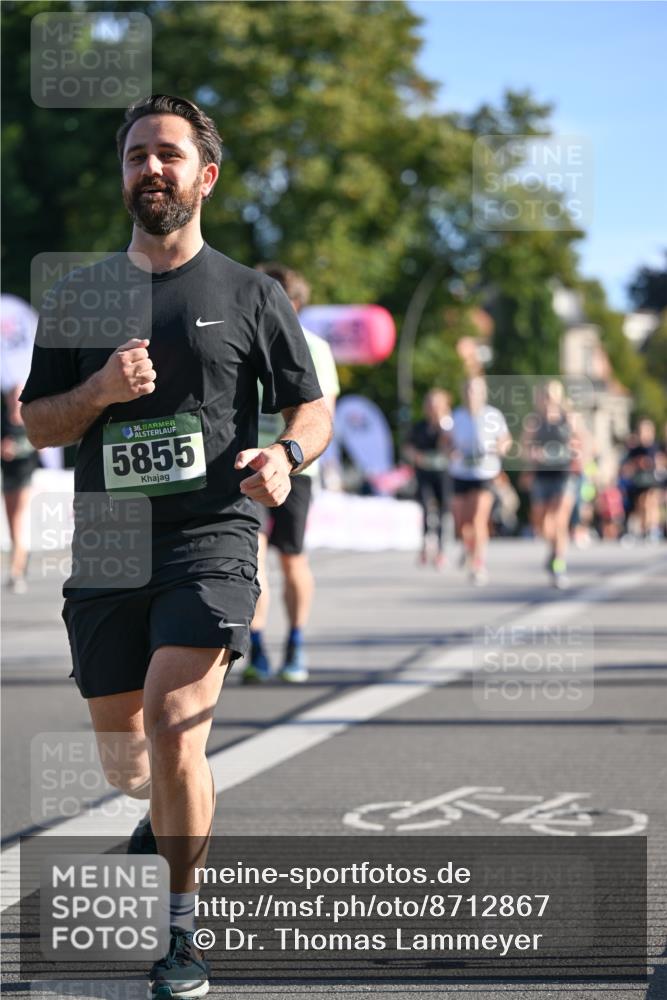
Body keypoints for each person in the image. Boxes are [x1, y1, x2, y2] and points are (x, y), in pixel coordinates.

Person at [20, 94, 331, 999]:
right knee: (129, 769)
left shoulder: (250, 293)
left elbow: (311, 404)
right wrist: (101, 392)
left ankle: (182, 934)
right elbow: (38, 423)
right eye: (134, 157)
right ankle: (160, 818)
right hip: (110, 543)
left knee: (173, 723)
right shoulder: (79, 296)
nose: (149, 169)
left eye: (166, 154)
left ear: (206, 175)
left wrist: (286, 455)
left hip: (212, 533)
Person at [244, 263, 340, 684]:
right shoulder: (246, 338)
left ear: (295, 305)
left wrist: (290, 453)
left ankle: (297, 642)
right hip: (248, 460)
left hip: (296, 468)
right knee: (254, 557)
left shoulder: (316, 348)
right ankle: (258, 647)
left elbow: (324, 417)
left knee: (292, 558)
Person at [445, 376, 512, 585]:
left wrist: (500, 448)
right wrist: (451, 452)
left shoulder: (493, 415)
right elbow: (445, 443)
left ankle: (478, 563)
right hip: (461, 473)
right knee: (463, 523)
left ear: (482, 393)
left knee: (478, 519)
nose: (471, 395)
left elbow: (506, 439)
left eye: (475, 391)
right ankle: (468, 548)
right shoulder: (455, 416)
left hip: (485, 473)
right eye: (467, 390)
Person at [522, 380, 581, 588]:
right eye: (545, 395)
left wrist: (575, 450)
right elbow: (525, 447)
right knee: (543, 524)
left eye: (552, 395)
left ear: (559, 397)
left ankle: (559, 563)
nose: (548, 400)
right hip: (541, 475)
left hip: (564, 474)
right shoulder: (534, 421)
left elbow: (582, 442)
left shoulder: (569, 419)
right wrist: (532, 456)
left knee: (559, 519)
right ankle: (553, 551)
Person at [404, 388, 452, 569]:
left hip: (443, 474)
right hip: (424, 473)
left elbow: (453, 446)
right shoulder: (419, 427)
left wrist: (443, 425)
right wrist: (416, 456)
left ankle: (440, 550)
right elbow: (408, 447)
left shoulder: (448, 426)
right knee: (425, 507)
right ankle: (425, 544)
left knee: (442, 510)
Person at [1, 384, 40, 593]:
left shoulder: (28, 419)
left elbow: (38, 444)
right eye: (12, 396)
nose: (14, 400)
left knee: (18, 521)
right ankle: (17, 567)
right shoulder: (3, 421)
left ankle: (17, 572)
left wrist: (15, 448)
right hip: (8, 477)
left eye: (18, 396)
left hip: (25, 475)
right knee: (10, 524)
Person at [621, 419, 663, 542]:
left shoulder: (655, 447)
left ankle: (653, 529)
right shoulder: (635, 449)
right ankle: (644, 529)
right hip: (640, 480)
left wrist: (653, 463)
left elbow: (659, 462)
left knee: (652, 503)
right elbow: (628, 465)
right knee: (641, 504)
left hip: (653, 479)